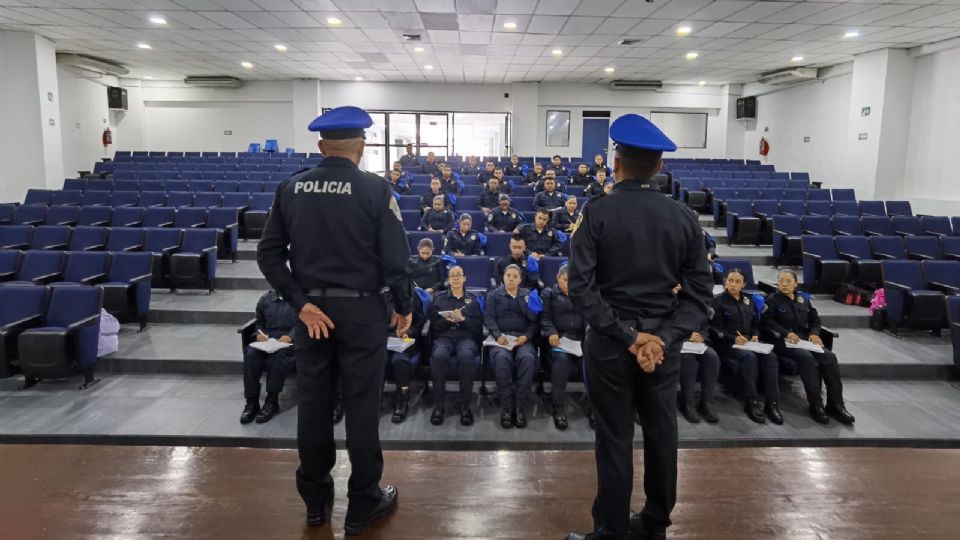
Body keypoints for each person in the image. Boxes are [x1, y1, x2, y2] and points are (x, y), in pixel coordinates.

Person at [257, 106, 411, 534]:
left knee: (315, 404)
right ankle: (363, 503)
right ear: (361, 147)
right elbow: (396, 259)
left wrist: (299, 302)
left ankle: (315, 499)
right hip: (362, 312)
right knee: (362, 407)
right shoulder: (376, 191)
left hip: (312, 316)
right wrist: (405, 305)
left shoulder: (291, 189)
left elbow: (268, 254)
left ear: (321, 146)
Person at [566, 114, 713, 540]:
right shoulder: (685, 217)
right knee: (662, 433)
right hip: (662, 348)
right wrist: (661, 339)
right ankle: (654, 524)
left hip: (612, 345)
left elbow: (581, 288)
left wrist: (629, 337)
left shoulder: (597, 212)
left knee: (614, 438)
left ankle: (611, 531)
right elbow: (700, 294)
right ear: (660, 167)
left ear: (616, 164)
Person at [762, 269, 855, 425]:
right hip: (783, 342)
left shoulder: (803, 300)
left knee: (829, 357)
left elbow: (815, 321)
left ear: (795, 283)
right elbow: (768, 322)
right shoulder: (772, 300)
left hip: (804, 340)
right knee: (807, 358)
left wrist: (814, 333)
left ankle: (836, 404)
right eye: (781, 281)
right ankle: (816, 405)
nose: (784, 284)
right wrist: (786, 333)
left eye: (788, 281)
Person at [711, 269, 782, 424]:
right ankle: (751, 401)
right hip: (728, 345)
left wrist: (756, 335)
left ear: (743, 284)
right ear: (725, 282)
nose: (733, 284)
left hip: (749, 343)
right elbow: (715, 330)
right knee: (749, 358)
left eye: (737, 281)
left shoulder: (749, 300)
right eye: (730, 280)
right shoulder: (718, 301)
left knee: (770, 357)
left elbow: (756, 324)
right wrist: (733, 339)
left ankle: (772, 402)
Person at [484, 264, 539, 429]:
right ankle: (507, 407)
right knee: (501, 360)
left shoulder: (528, 296)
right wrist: (498, 335)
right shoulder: (493, 295)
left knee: (528, 359)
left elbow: (535, 320)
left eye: (515, 276)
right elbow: (488, 317)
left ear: (520, 280)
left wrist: (526, 336)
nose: (511, 279)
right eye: (509, 276)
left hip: (522, 339)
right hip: (501, 339)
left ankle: (520, 406)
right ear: (504, 277)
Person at [428, 265, 483, 426]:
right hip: (444, 337)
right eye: (453, 275)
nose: (456, 278)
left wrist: (464, 320)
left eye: (459, 275)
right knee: (438, 356)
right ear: (448, 279)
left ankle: (465, 405)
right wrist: (445, 321)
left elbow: (478, 327)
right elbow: (433, 324)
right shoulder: (439, 298)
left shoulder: (473, 300)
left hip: (465, 338)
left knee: (466, 357)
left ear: (465, 278)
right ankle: (439, 406)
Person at [541, 264, 591, 430]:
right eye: (565, 280)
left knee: (591, 362)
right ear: (558, 278)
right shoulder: (549, 294)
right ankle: (558, 406)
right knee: (561, 361)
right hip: (559, 341)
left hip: (580, 341)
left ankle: (594, 408)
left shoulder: (583, 295)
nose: (569, 284)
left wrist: (588, 336)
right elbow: (545, 318)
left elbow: (590, 320)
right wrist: (552, 333)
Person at [240, 289, 297, 425]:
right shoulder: (265, 299)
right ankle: (252, 402)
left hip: (290, 343)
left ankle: (272, 400)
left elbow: (303, 323)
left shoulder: (299, 299)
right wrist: (259, 334)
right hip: (268, 340)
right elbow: (259, 323)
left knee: (277, 356)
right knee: (251, 354)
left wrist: (291, 336)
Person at [386, 291, 426, 424]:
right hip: (384, 338)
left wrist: (408, 333)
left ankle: (401, 401)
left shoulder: (414, 298)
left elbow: (420, 323)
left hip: (405, 339)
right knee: (377, 360)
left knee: (400, 360)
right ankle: (373, 400)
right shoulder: (381, 296)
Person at [677, 316, 719, 424]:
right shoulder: (671, 302)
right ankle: (687, 403)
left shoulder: (696, 303)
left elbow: (704, 326)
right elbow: (667, 327)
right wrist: (686, 338)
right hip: (678, 343)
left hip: (697, 343)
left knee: (712, 357)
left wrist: (702, 337)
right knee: (688, 359)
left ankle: (707, 403)